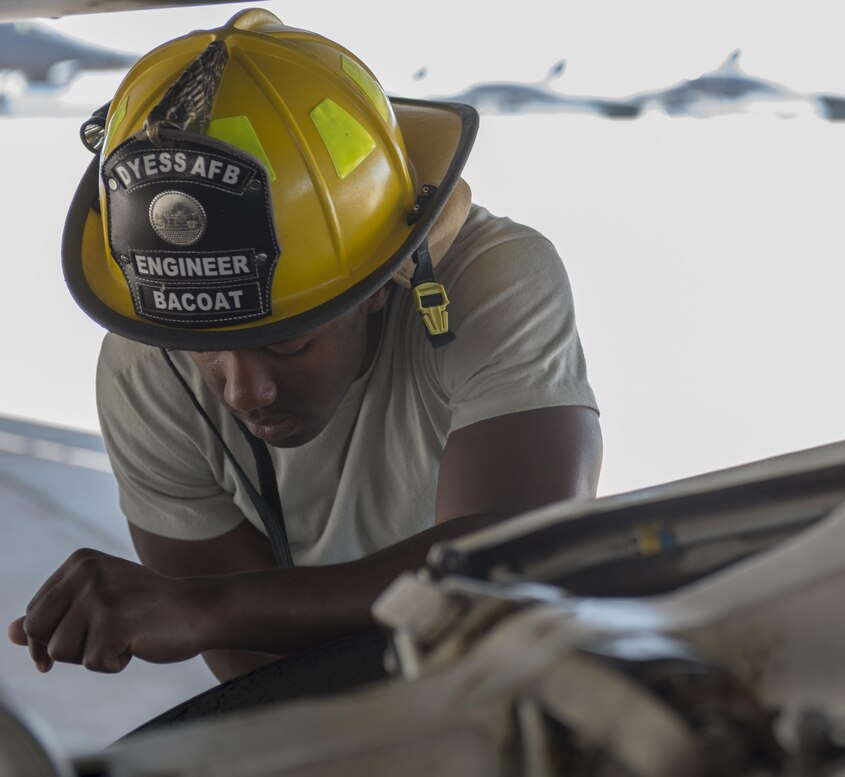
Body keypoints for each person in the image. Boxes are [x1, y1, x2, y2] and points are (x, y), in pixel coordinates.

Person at [7, 9, 601, 684]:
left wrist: (211, 604)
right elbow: (253, 673)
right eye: (205, 351)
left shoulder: (492, 278)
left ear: (382, 283)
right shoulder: (144, 369)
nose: (243, 390)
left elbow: (523, 557)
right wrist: (217, 612)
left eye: (289, 344)